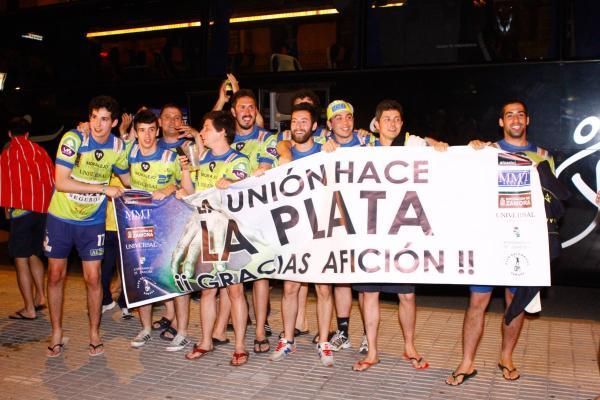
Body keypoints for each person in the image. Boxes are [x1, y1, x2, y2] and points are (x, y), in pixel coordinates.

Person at [446, 99, 554, 385]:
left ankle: (506, 357)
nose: (515, 119)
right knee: (477, 301)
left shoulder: (543, 155)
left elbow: (550, 202)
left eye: (520, 114)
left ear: (527, 120)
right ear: (501, 122)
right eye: (509, 115)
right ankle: (467, 362)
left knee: (514, 303)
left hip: (522, 243)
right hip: (488, 240)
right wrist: (470, 151)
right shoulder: (486, 151)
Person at [351, 100, 447, 371]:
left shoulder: (413, 147)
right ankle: (372, 351)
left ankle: (409, 347)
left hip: (403, 234)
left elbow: (438, 152)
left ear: (402, 124)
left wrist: (438, 147)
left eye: (397, 119)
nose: (392, 124)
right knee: (369, 294)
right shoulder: (362, 151)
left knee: (407, 295)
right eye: (387, 119)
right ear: (377, 123)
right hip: (370, 234)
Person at [45, 95, 130, 357]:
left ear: (114, 122)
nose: (97, 124)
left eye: (104, 119)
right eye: (94, 117)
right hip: (60, 217)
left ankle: (94, 333)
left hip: (92, 223)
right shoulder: (74, 139)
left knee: (93, 279)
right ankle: (57, 331)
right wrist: (103, 188)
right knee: (56, 275)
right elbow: (61, 182)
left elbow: (129, 181)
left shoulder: (117, 146)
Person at [181, 110, 252, 366]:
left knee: (234, 290)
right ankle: (205, 340)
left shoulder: (239, 160)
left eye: (207, 128)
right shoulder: (201, 157)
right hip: (205, 232)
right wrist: (186, 173)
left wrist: (231, 182)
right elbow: (192, 193)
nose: (202, 133)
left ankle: (241, 345)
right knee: (208, 290)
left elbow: (244, 187)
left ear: (223, 131)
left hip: (230, 234)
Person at [125, 109, 189, 351]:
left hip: (168, 226)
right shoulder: (129, 154)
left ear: (158, 130)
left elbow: (186, 186)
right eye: (142, 130)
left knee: (175, 278)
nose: (147, 136)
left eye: (151, 130)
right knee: (143, 276)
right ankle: (146, 328)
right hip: (140, 227)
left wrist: (170, 187)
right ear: (137, 133)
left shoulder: (171, 156)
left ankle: (182, 331)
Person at [270, 103, 324, 362]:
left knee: (323, 288)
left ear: (314, 126)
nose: (298, 126)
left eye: (304, 122)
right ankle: (287, 339)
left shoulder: (327, 152)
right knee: (290, 286)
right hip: (293, 231)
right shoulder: (282, 154)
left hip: (322, 230)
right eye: (294, 121)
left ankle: (324, 341)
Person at [228, 89, 278, 354]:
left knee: (260, 276)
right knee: (233, 277)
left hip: (258, 219)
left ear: (255, 111)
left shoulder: (265, 138)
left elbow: (264, 171)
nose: (246, 112)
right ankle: (236, 332)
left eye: (251, 107)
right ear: (233, 112)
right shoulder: (225, 137)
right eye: (242, 107)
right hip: (228, 221)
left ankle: (260, 330)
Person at [0, 117, 54, 320]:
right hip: (42, 212)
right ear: (28, 134)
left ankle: (29, 309)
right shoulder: (40, 151)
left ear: (9, 134)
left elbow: (4, 183)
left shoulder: (8, 153)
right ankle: (41, 297)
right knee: (34, 255)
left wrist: (7, 210)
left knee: (20, 260)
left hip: (21, 213)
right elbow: (51, 178)